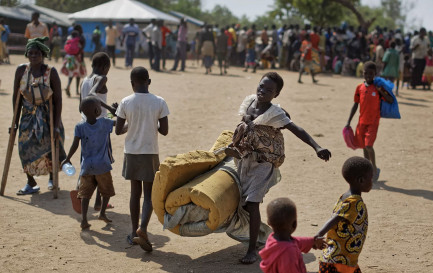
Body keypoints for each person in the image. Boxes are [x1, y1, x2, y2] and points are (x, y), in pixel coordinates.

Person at [224, 72, 331, 264]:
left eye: (269, 90)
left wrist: (317, 146)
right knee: (245, 204)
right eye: (261, 86)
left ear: (276, 95)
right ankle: (263, 236)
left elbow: (297, 129)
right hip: (246, 159)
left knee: (253, 202)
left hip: (264, 163)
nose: (262, 91)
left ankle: (251, 251)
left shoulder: (275, 113)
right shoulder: (249, 102)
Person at [115, 67, 169, 250]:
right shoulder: (159, 102)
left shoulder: (125, 102)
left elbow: (118, 130)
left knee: (134, 193)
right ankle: (143, 228)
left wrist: (130, 120)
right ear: (149, 81)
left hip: (131, 152)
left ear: (132, 83)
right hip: (150, 152)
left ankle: (132, 231)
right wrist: (151, 121)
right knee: (149, 194)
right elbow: (164, 130)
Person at [13, 37, 66, 195]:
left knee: (50, 149)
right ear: (27, 54)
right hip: (27, 118)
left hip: (47, 118)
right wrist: (15, 122)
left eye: (37, 53)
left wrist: (56, 125)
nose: (34, 56)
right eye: (31, 53)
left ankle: (52, 178)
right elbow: (16, 98)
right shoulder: (21, 70)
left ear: (43, 54)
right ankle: (31, 183)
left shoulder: (51, 72)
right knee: (24, 149)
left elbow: (58, 100)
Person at [61, 97, 116, 230]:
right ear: (98, 110)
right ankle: (102, 213)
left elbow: (75, 145)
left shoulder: (80, 126)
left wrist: (67, 158)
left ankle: (84, 219)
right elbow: (117, 122)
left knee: (85, 195)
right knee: (106, 191)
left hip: (87, 167)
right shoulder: (104, 123)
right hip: (102, 166)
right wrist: (115, 110)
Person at [316, 156, 373, 273]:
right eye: (371, 179)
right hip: (340, 260)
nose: (372, 182)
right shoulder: (354, 201)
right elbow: (335, 219)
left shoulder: (344, 197)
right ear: (361, 180)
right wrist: (319, 234)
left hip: (341, 257)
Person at [79, 52, 118, 211]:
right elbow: (92, 95)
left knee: (89, 162)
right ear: (105, 67)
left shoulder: (84, 81)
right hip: (99, 128)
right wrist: (110, 109)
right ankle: (99, 202)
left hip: (86, 125)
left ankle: (92, 200)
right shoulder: (101, 78)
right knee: (102, 164)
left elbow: (81, 105)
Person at [346, 61, 393, 182]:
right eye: (366, 73)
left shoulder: (378, 88)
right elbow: (355, 105)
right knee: (363, 147)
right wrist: (349, 121)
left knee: (369, 145)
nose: (368, 76)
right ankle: (368, 170)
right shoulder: (359, 88)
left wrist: (381, 91)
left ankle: (374, 169)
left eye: (371, 74)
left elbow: (390, 99)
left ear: (375, 74)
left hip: (373, 122)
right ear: (363, 73)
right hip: (362, 121)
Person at [259, 197, 327, 273]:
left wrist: (312, 242)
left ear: (269, 222)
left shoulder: (273, 239)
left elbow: (296, 242)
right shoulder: (288, 253)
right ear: (294, 224)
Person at [61, 27, 87, 97]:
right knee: (78, 75)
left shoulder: (69, 38)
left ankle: (68, 86)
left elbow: (66, 48)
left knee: (71, 74)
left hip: (69, 59)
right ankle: (77, 90)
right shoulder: (78, 39)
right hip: (77, 59)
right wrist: (81, 60)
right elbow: (81, 49)